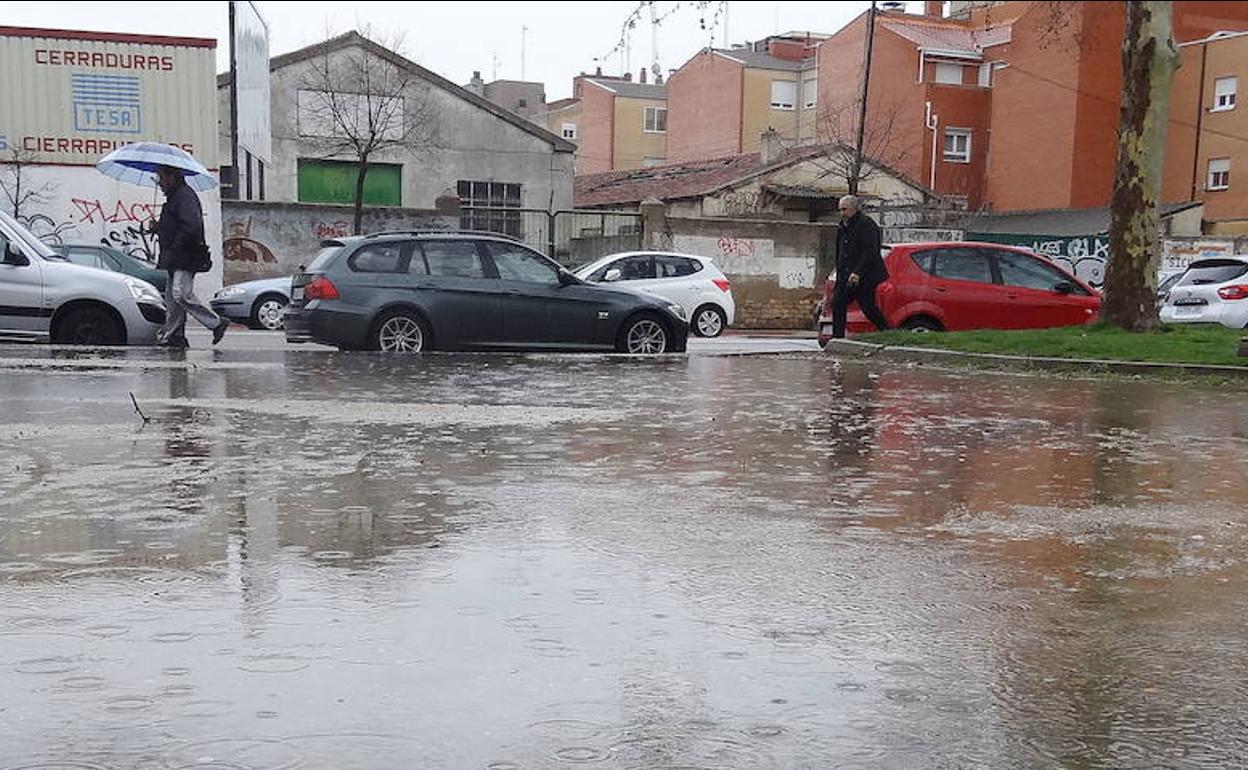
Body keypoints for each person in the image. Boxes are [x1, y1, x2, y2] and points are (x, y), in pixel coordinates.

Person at [150, 165, 227, 347]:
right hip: (174, 256)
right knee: (172, 300)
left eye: (161, 177)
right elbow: (174, 226)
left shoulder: (184, 197)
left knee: (180, 294)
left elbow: (191, 226)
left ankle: (216, 323)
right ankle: (175, 336)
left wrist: (176, 246)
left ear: (172, 177)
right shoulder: (175, 198)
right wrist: (158, 227)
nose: (159, 182)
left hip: (184, 256)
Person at [830, 194, 890, 338]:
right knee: (838, 303)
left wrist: (858, 272)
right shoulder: (842, 227)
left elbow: (870, 251)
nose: (842, 213)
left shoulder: (866, 224)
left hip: (865, 276)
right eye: (840, 210)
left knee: (868, 307)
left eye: (844, 209)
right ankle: (837, 338)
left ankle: (888, 331)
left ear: (853, 209)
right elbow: (840, 251)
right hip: (846, 275)